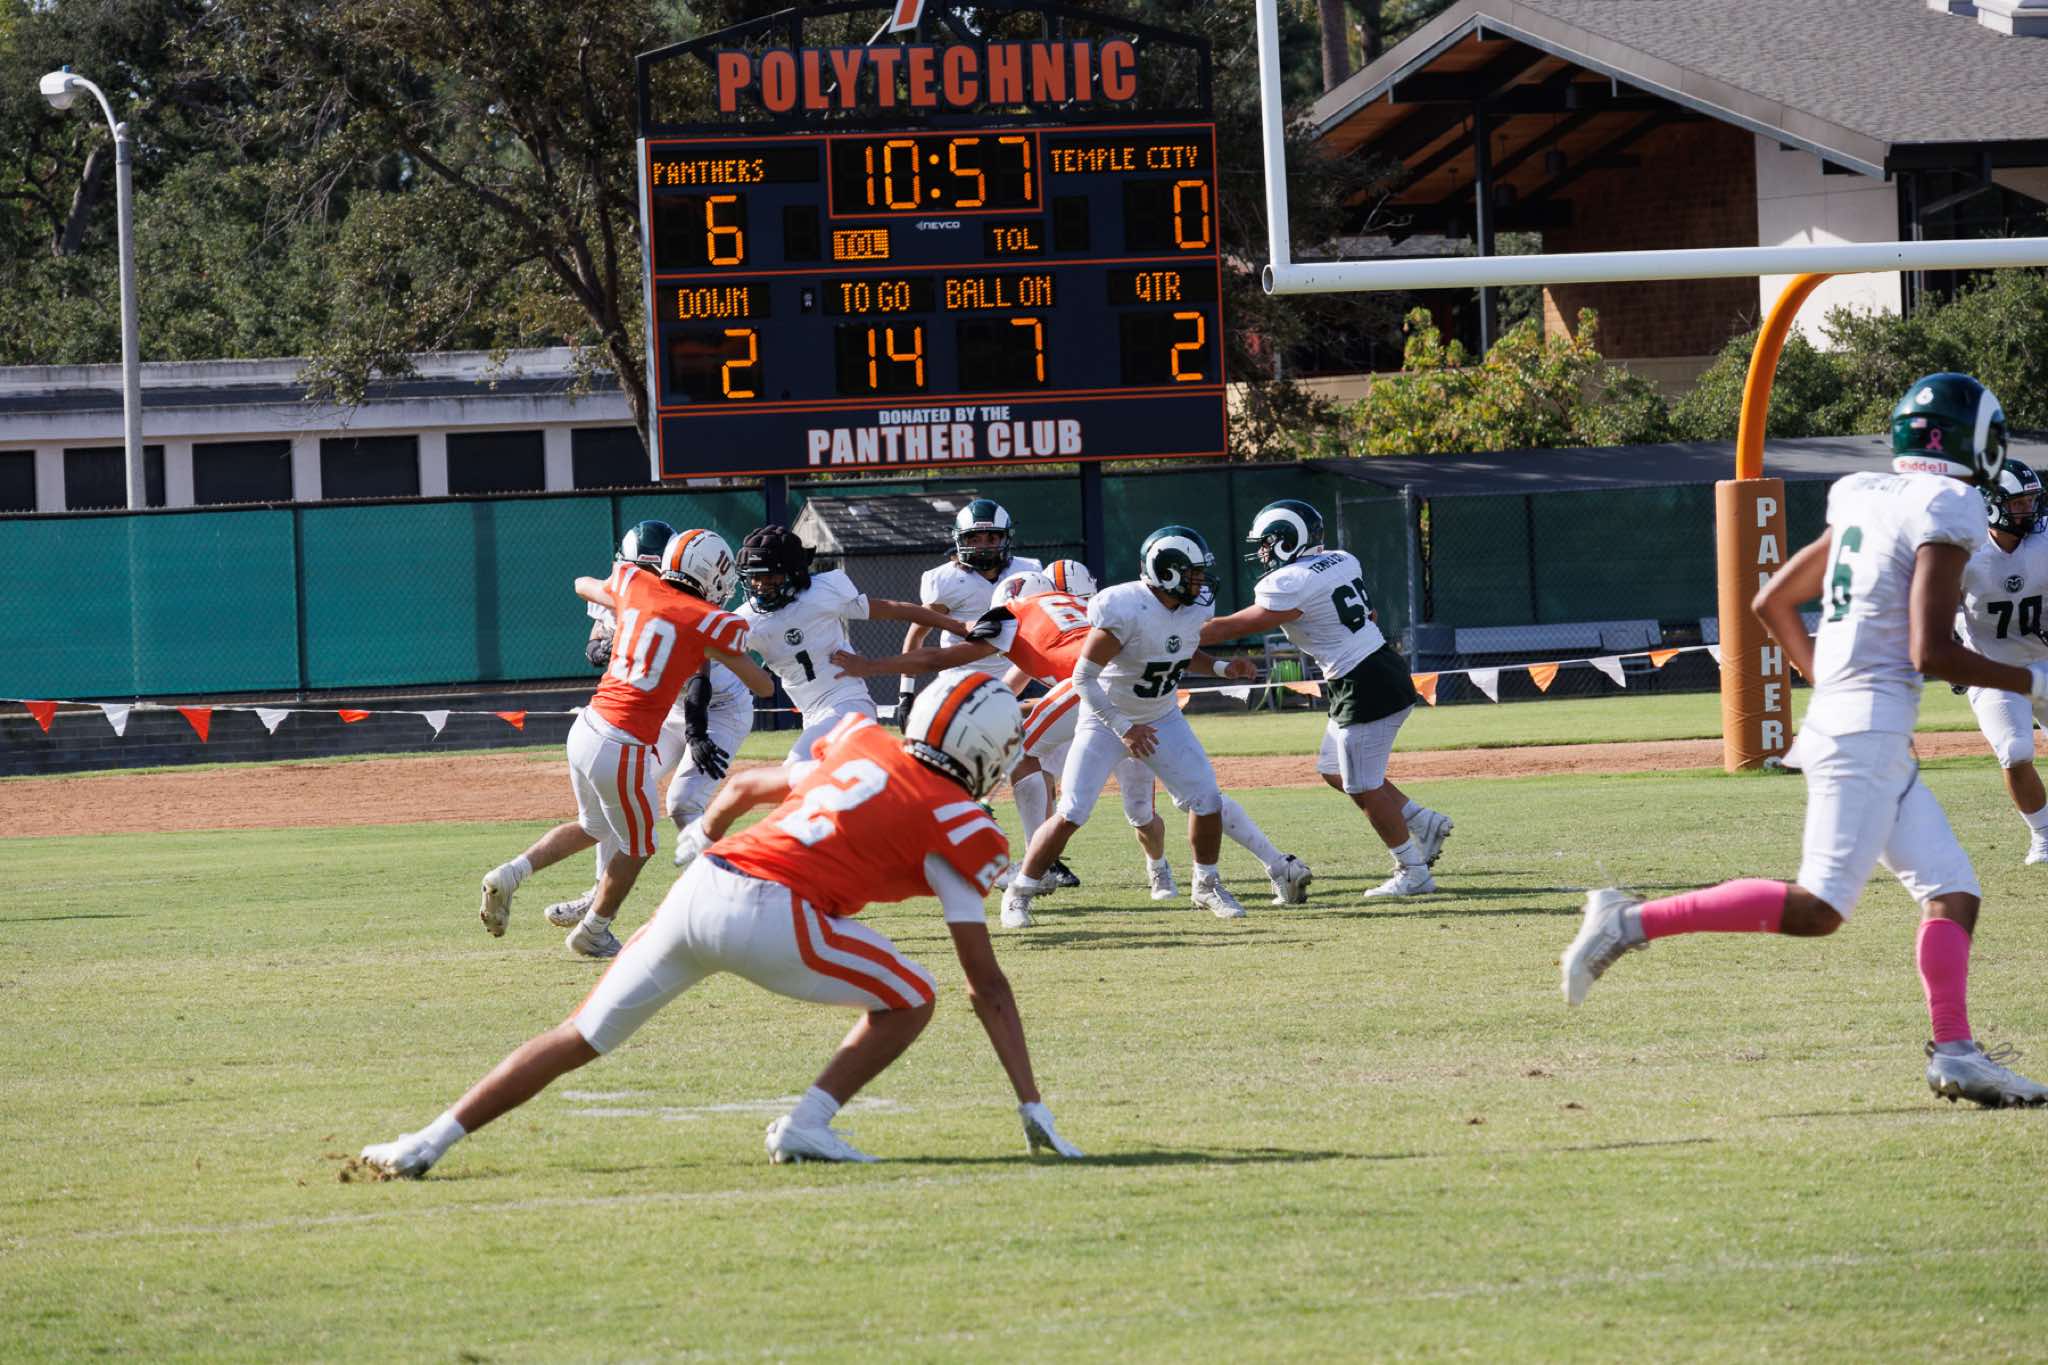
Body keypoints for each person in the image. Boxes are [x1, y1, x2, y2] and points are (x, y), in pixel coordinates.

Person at [362, 670, 1086, 1175]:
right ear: (986, 748)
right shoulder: (963, 824)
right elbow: (985, 984)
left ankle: (425, 1141)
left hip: (702, 889)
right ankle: (807, 1124)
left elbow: (744, 785)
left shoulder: (861, 744)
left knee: (577, 1035)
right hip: (776, 912)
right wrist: (1030, 1100)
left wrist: (702, 830)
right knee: (914, 996)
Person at [1560, 372, 2048, 1109]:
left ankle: (1956, 1053)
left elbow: (1772, 599)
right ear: (1973, 440)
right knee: (1820, 908)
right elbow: (1931, 652)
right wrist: (2034, 682)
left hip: (1862, 723)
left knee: (1952, 891)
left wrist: (1835, 685)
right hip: (1866, 729)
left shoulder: (1865, 494)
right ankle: (1628, 921)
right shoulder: (1945, 503)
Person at [835, 560, 1310, 910]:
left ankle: (1006, 850)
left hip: (1097, 692)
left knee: (1025, 759)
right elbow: (1034, 673)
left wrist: (874, 667)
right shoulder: (1070, 606)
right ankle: (1271, 864)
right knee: (1166, 801)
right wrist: (1223, 667)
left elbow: (939, 657)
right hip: (1139, 692)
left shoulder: (1008, 615)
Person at [477, 529, 772, 960]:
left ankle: (511, 874)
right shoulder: (708, 621)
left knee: (595, 826)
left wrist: (629, 612)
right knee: (640, 847)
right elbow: (763, 686)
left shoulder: (635, 585)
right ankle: (594, 931)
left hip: (586, 727)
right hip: (623, 743)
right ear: (712, 577)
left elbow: (581, 584)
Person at [1002, 526, 1259, 926]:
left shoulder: (1190, 608)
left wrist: (1225, 668)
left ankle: (1206, 885)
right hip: (1104, 718)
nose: (1201, 581)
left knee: (1206, 798)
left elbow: (1181, 649)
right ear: (1168, 573)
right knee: (1072, 811)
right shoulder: (1123, 607)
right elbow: (1084, 679)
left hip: (1161, 715)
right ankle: (1019, 893)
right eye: (1193, 572)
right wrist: (1124, 727)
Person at [1202, 499, 1453, 899]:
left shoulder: (1288, 582)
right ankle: (1422, 822)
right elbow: (1366, 615)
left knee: (1362, 787)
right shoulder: (1341, 559)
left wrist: (1166, 632)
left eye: (1266, 543)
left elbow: (1231, 628)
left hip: (1363, 680)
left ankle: (1413, 871)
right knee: (1333, 769)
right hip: (1375, 666)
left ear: (1288, 540)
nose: (1262, 552)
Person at [546, 525, 760, 923]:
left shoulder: (688, 608)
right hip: (666, 710)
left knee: (682, 802)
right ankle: (598, 895)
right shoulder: (630, 588)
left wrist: (697, 733)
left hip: (716, 709)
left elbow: (700, 681)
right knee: (619, 798)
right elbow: (595, 640)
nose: (643, 577)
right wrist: (616, 641)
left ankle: (732, 894)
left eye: (651, 570)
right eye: (637, 569)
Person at [736, 524, 969, 766]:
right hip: (812, 715)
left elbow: (895, 609)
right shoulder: (745, 620)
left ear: (792, 573)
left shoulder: (821, 593)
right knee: (825, 785)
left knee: (795, 770)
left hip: (847, 704)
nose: (760, 585)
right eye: (755, 577)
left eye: (769, 576)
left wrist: (957, 626)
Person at [897, 499, 1049, 866]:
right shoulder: (944, 580)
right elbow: (917, 635)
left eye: (991, 537)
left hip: (1014, 679)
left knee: (1031, 766)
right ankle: (970, 835)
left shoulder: (1029, 573)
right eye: (974, 538)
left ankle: (1042, 857)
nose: (983, 545)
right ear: (959, 540)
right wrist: (906, 693)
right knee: (957, 768)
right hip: (960, 683)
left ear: (1006, 538)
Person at [1954, 459, 2048, 865]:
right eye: (2019, 503)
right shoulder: (1964, 551)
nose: (2029, 511)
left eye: (2032, 501)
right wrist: (1952, 655)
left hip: (2044, 659)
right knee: (2014, 750)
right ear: (1990, 505)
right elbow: (1938, 609)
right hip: (1992, 668)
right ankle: (2044, 837)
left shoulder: (2045, 540)